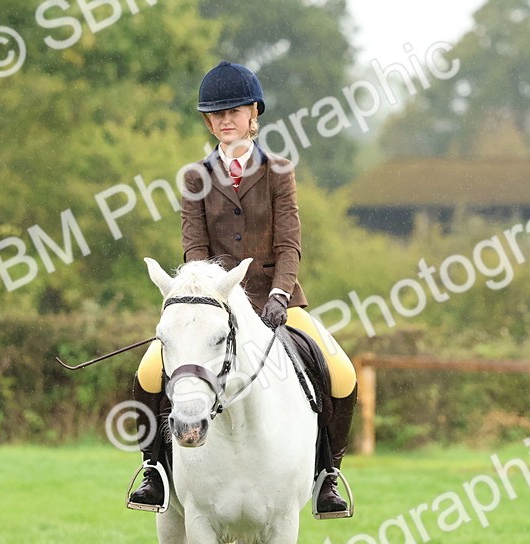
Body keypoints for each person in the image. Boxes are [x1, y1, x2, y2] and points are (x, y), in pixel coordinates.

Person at [128, 61, 358, 518]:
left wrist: (278, 294)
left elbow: (289, 243)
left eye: (234, 111)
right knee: (149, 374)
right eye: (216, 115)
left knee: (342, 373)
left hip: (277, 300)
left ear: (254, 114)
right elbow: (194, 247)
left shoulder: (278, 171)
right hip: (214, 304)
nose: (225, 120)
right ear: (208, 122)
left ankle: (328, 475)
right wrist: (209, 299)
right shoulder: (196, 177)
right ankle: (153, 467)